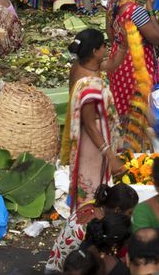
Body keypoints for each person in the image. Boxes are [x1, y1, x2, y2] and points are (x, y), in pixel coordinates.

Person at [106, 0, 159, 153]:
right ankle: (135, 151)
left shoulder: (113, 1)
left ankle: (121, 146)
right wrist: (151, 9)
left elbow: (110, 34)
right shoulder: (136, 11)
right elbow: (156, 38)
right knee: (136, 108)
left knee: (122, 105)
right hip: (133, 65)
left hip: (117, 61)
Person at [62, 28, 119, 208]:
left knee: (87, 183)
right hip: (92, 144)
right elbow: (89, 125)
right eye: (104, 45)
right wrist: (110, 155)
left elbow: (112, 64)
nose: (106, 48)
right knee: (91, 186)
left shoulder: (80, 66)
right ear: (95, 51)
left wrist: (125, 46)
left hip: (91, 138)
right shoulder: (90, 85)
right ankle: (86, 222)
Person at [47, 185, 139, 273]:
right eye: (130, 213)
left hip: (57, 265)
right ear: (117, 210)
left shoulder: (93, 206)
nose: (131, 217)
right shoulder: (96, 224)